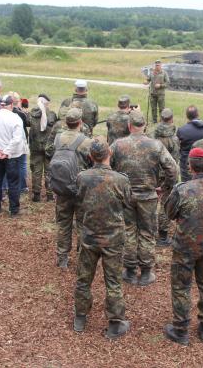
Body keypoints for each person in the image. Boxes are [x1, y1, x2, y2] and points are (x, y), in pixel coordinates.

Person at [162, 147, 203, 345]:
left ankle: (181, 329)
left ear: (189, 166)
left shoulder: (182, 190)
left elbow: (169, 213)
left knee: (181, 286)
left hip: (185, 247)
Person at [73, 140, 133, 340]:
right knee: (113, 281)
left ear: (91, 156)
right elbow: (128, 203)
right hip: (113, 238)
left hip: (89, 235)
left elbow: (79, 201)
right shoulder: (121, 180)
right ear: (109, 154)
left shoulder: (82, 177)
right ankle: (115, 322)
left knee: (84, 279)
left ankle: (80, 318)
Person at [110, 111, 178, 286]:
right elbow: (173, 169)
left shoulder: (118, 144)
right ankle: (146, 271)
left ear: (129, 126)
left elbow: (106, 165)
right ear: (145, 126)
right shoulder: (155, 145)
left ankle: (130, 269)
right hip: (148, 196)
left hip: (126, 195)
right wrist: (164, 187)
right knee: (147, 232)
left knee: (129, 230)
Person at [51, 108, 94, 268]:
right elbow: (93, 162)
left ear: (65, 122)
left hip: (61, 186)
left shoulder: (57, 138)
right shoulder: (86, 141)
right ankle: (82, 257)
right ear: (80, 122)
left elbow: (50, 152)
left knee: (63, 223)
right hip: (81, 188)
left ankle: (62, 257)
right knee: (83, 223)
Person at [153, 107, 181, 247]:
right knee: (165, 204)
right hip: (167, 174)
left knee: (150, 201)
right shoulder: (174, 139)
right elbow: (174, 161)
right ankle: (163, 236)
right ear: (171, 119)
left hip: (153, 173)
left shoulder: (154, 137)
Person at [28, 94, 58, 202]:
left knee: (36, 170)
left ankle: (36, 194)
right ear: (47, 103)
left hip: (35, 147)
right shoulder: (52, 115)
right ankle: (50, 195)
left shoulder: (32, 114)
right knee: (49, 171)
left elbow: (27, 122)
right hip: (48, 147)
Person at [8, 91, 30, 195]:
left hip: (8, 140)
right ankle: (23, 186)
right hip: (20, 141)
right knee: (22, 164)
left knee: (10, 163)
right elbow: (28, 122)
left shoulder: (7, 113)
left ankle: (9, 185)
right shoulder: (20, 114)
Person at [176, 105, 203, 182]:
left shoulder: (181, 130)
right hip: (202, 162)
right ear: (198, 114)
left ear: (187, 116)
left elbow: (178, 147)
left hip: (186, 163)